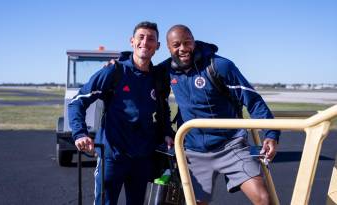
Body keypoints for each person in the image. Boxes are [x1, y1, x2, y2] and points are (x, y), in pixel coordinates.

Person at [157, 25, 281, 205]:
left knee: (264, 199)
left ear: (194, 41)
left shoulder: (220, 66)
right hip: (194, 151)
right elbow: (148, 88)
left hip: (231, 145)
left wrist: (271, 133)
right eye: (176, 45)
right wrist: (117, 63)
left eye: (187, 42)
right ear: (168, 48)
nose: (183, 48)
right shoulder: (165, 70)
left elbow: (252, 99)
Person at [68, 21, 173, 205]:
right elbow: (78, 102)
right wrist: (80, 133)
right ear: (132, 41)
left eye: (151, 39)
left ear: (157, 46)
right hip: (112, 157)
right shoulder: (114, 71)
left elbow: (163, 109)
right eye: (141, 37)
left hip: (143, 159)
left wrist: (166, 133)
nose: (145, 42)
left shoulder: (158, 78)